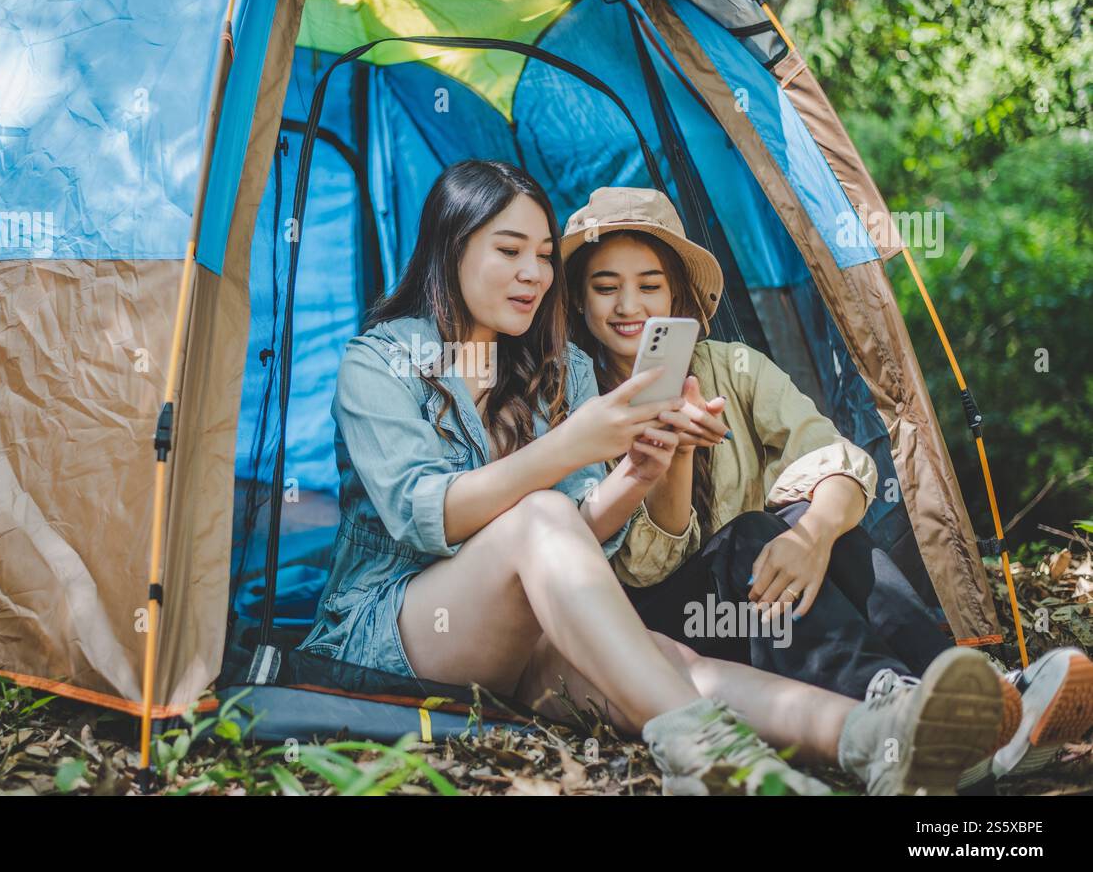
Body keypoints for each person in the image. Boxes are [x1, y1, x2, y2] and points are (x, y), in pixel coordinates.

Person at [294, 159, 1007, 795]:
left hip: (526, 646)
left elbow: (576, 534)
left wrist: (639, 471)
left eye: (543, 255)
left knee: (669, 663)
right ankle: (695, 748)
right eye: (508, 251)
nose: (533, 274)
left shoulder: (558, 368)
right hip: (402, 631)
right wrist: (571, 444)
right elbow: (429, 513)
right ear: (450, 252)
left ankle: (872, 739)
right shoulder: (382, 361)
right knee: (542, 520)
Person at [559, 184, 1093, 790]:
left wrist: (812, 533)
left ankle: (976, 691)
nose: (629, 305)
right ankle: (897, 705)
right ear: (578, 298)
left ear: (678, 295)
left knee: (819, 521)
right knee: (752, 535)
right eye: (606, 287)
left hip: (763, 610)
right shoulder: (575, 394)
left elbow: (833, 455)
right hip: (665, 634)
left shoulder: (731, 367)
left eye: (649, 285)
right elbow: (646, 571)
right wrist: (672, 457)